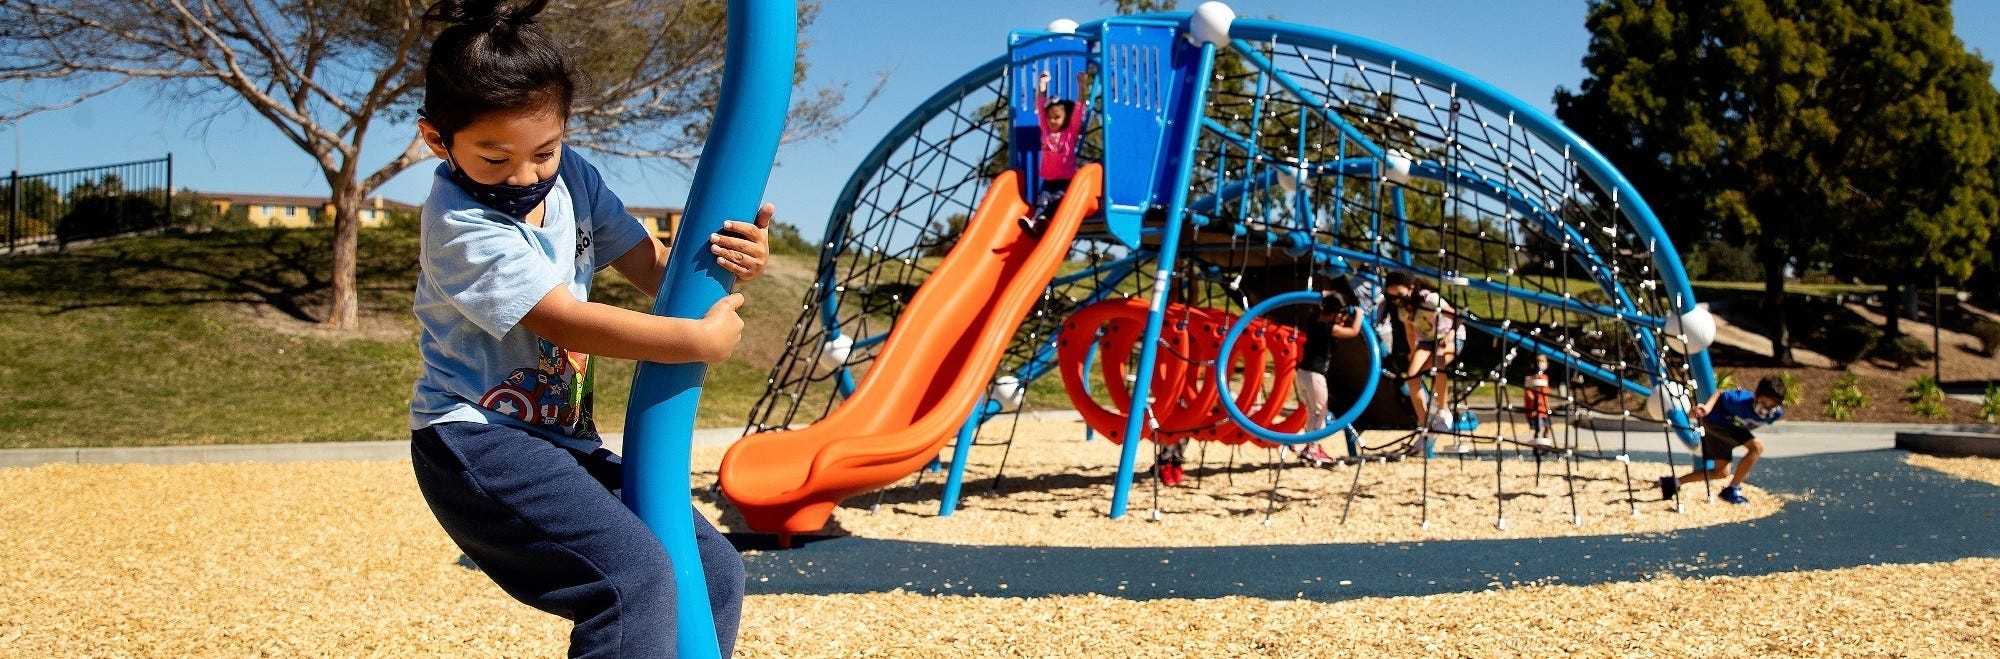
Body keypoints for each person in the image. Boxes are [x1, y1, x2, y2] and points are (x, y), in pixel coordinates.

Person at [404, 1, 772, 655]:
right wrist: (695, 341)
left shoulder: (574, 179)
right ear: (438, 140)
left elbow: (655, 271)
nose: (523, 176)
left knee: (711, 570)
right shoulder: (461, 224)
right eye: (494, 159)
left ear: (564, 129)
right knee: (631, 581)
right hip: (477, 444)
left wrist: (735, 264)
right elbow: (565, 318)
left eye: (542, 151)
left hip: (560, 442)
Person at [1660, 376, 1786, 505]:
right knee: (1757, 447)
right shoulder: (1739, 400)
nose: (1766, 408)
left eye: (1772, 405)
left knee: (1721, 472)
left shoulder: (1775, 414)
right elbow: (1720, 392)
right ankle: (1732, 489)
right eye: (1764, 403)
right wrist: (1706, 408)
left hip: (1730, 428)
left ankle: (1673, 482)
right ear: (1755, 396)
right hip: (1716, 423)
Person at [1382, 271, 1464, 435]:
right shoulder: (1403, 310)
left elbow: (1456, 316)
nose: (1397, 300)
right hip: (1427, 342)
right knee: (1412, 377)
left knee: (1437, 363)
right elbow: (1410, 333)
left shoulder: (1430, 299)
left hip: (1451, 337)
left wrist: (1449, 336)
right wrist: (1412, 352)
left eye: (1399, 295)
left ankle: (1443, 410)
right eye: (1392, 297)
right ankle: (1424, 422)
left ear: (1411, 288)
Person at [1018, 66, 1095, 239]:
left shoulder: (1069, 133)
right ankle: (1036, 222)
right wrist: (1042, 84)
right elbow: (1039, 103)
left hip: (1065, 180)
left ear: (1065, 118)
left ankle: (1045, 220)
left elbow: (1079, 109)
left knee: (1057, 202)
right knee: (1042, 201)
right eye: (1050, 117)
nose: (1052, 120)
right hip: (1049, 179)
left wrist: (1082, 86)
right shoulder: (1045, 130)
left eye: (1057, 117)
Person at [1295, 287, 1364, 466]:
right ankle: (1312, 447)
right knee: (1320, 412)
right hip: (1315, 375)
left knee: (1313, 412)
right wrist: (1358, 315)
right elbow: (1354, 332)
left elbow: (1321, 307)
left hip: (1302, 373)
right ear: (1335, 313)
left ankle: (1311, 446)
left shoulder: (1313, 321)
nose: (1343, 320)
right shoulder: (1329, 328)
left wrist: (1326, 297)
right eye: (1342, 315)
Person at [1523, 353, 1554, 448]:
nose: (1540, 364)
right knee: (1538, 427)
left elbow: (1546, 394)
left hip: (1544, 408)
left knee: (1547, 427)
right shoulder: (1530, 378)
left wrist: (1548, 406)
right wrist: (1533, 406)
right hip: (1536, 409)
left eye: (1542, 361)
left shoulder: (1545, 377)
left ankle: (1546, 442)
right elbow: (1528, 394)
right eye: (1538, 361)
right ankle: (1537, 443)